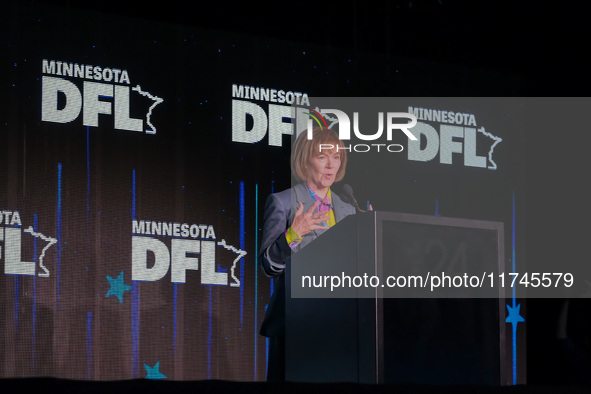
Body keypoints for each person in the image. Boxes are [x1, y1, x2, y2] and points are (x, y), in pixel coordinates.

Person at [258, 127, 356, 381]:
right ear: (305, 159)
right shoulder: (283, 203)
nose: (330, 164)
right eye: (323, 157)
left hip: (339, 322)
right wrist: (293, 235)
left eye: (336, 157)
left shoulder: (348, 210)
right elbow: (268, 266)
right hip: (297, 320)